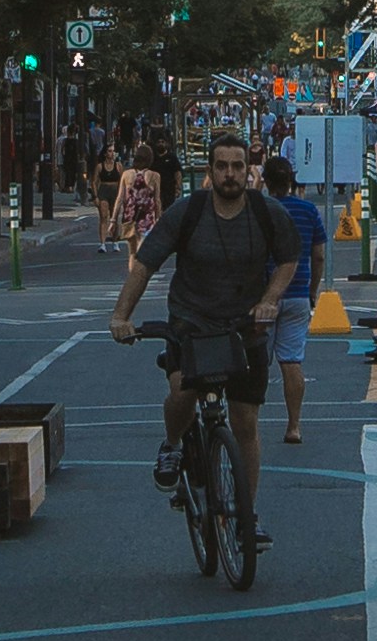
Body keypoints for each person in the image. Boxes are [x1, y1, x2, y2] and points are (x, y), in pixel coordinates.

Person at [111, 131, 292, 540]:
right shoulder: (186, 212)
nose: (230, 173)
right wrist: (121, 316)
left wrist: (270, 300)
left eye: (238, 166)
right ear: (209, 172)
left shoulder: (267, 213)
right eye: (222, 166)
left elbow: (288, 259)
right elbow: (144, 265)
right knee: (182, 393)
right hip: (191, 323)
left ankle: (247, 516)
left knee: (246, 421)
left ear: (249, 171)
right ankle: (173, 444)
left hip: (244, 328)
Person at [257, 148, 326, 447]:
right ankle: (294, 425)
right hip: (298, 293)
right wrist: (312, 289)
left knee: (256, 363)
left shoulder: (259, 210)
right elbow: (319, 254)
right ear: (292, 181)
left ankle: (250, 424)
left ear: (265, 181)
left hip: (263, 297)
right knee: (291, 361)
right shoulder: (308, 211)